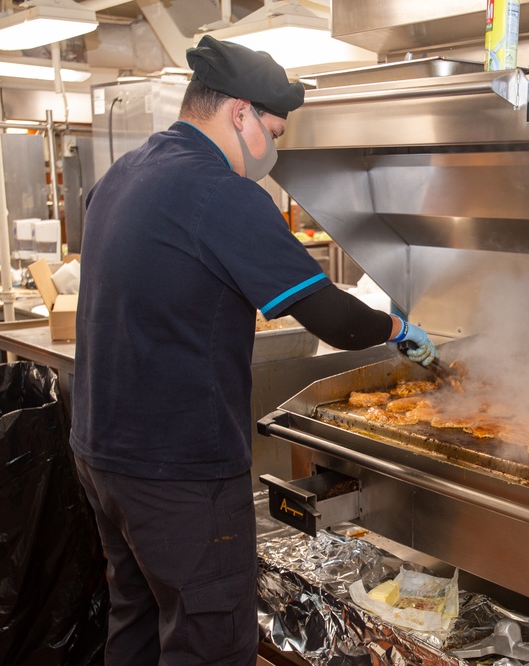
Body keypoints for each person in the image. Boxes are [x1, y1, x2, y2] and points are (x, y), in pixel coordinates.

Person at [69, 35, 437, 665]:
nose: (275, 147)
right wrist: (398, 331)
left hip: (103, 455)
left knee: (135, 622)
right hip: (178, 470)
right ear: (239, 113)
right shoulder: (221, 192)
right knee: (208, 642)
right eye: (275, 129)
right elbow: (334, 318)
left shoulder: (124, 173)